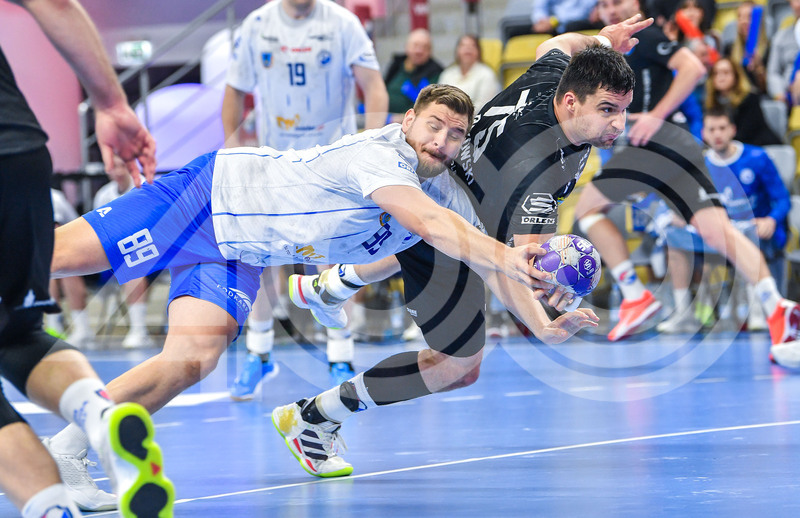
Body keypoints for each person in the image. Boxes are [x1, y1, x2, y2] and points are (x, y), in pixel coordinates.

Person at [47, 84, 600, 497]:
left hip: (239, 252)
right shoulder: (381, 156)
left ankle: (66, 452)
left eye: (456, 135)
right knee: (51, 257)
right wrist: (507, 253)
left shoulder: (445, 191)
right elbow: (429, 225)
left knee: (191, 361)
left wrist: (543, 325)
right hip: (208, 196)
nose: (441, 141)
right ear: (409, 120)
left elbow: (489, 264)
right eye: (433, 125)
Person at [274, 17, 649, 478]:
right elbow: (516, 266)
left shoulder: (554, 79)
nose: (619, 123)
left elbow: (555, 43)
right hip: (447, 233)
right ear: (572, 102)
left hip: (439, 191)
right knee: (458, 365)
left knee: (458, 342)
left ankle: (332, 285)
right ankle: (313, 417)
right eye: (608, 109)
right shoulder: (536, 170)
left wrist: (602, 40)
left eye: (624, 110)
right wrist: (547, 319)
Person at [0, 0, 173, 516]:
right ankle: (101, 420)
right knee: (18, 334)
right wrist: (112, 103)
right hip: (17, 151)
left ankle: (50, 506)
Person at [572, 0, 800, 363]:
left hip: (658, 145)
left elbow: (693, 68)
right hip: (676, 148)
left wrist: (655, 116)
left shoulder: (644, 37)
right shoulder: (611, 53)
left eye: (618, 1)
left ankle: (635, 296)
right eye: (604, 4)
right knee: (717, 231)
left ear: (635, 3)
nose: (611, 9)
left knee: (588, 210)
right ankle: (775, 305)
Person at [221, 0, 389, 394]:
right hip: (274, 162)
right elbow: (234, 92)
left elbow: (375, 87)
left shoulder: (343, 23)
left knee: (329, 258)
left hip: (332, 161)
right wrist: (233, 149)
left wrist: (371, 146)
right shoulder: (256, 25)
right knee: (261, 256)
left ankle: (340, 355)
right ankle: (259, 353)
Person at [657, 108, 791, 334]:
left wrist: (771, 219)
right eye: (711, 129)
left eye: (722, 128)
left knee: (748, 235)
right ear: (704, 133)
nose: (717, 134)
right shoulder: (698, 164)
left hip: (754, 229)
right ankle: (684, 314)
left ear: (732, 130)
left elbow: (783, 199)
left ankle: (758, 313)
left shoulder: (757, 158)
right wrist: (680, 215)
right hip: (716, 233)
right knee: (674, 239)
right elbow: (684, 203)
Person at [93, 156, 156, 348]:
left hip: (153, 255)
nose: (118, 171)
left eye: (123, 166)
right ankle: (81, 331)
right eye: (114, 167)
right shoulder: (103, 195)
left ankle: (139, 332)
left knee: (132, 264)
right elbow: (98, 233)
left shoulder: (145, 188)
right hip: (114, 257)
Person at [47, 189, 92, 348]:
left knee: (53, 266)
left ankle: (82, 328)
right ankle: (53, 325)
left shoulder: (51, 197)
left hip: (87, 254)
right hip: (57, 256)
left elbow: (53, 236)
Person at [705, 57, 782, 146]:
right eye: (716, 73)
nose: (721, 77)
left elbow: (747, 133)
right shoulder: (712, 102)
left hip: (759, 146)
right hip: (726, 148)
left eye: (726, 72)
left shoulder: (750, 98)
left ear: (736, 76)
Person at [384, 28, 443, 120]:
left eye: (425, 47)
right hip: (383, 115)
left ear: (430, 51)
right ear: (406, 47)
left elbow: (427, 105)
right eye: (415, 45)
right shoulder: (396, 65)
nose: (419, 51)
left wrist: (404, 117)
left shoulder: (435, 72)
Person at [438, 34, 501, 110]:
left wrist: (458, 114)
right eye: (463, 45)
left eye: (472, 45)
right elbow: (440, 100)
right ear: (457, 51)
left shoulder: (487, 74)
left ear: (478, 51)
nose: (468, 48)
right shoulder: (447, 74)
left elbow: (483, 105)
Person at [766, 0, 800, 103]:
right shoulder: (781, 37)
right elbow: (773, 72)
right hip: (788, 99)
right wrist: (780, 94)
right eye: (796, 0)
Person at [529, 0, 602, 35]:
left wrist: (555, 20)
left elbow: (585, 10)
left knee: (572, 27)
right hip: (552, 25)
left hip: (579, 23)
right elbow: (540, 6)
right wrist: (541, 20)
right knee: (527, 30)